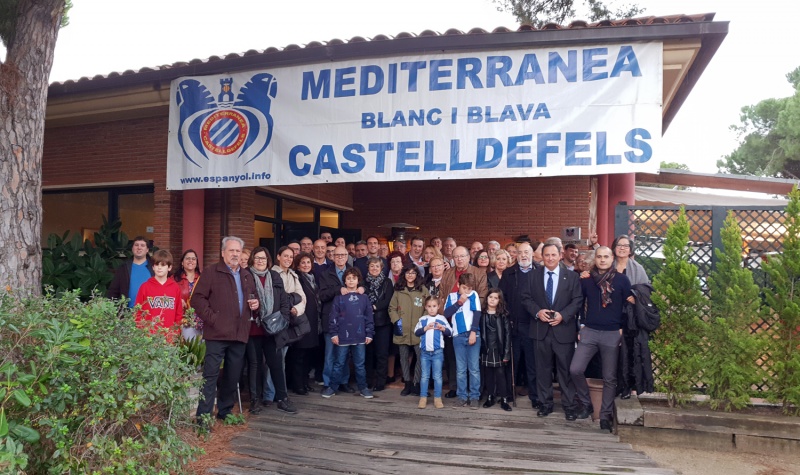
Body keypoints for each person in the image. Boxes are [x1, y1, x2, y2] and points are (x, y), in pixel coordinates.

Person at [191, 236, 262, 425]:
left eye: (238, 251)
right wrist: (213, 319)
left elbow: (254, 297)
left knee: (232, 376)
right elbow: (197, 299)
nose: (235, 254)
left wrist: (256, 304)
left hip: (239, 333)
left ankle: (225, 411)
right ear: (223, 253)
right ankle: (203, 417)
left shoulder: (246, 275)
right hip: (216, 334)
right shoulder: (211, 272)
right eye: (231, 250)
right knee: (210, 376)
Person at [570, 246, 633, 432]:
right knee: (575, 369)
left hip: (612, 333)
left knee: (609, 377)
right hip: (589, 331)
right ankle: (586, 403)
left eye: (606, 256)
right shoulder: (587, 279)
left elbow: (627, 306)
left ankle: (605, 415)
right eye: (599, 257)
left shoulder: (622, 280)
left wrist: (622, 328)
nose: (603, 260)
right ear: (595, 259)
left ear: (612, 258)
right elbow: (580, 304)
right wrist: (581, 325)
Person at [522, 242, 583, 420]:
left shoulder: (571, 277)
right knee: (542, 370)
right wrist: (537, 312)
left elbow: (577, 301)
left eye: (553, 255)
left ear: (560, 256)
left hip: (563, 330)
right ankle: (545, 404)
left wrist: (563, 315)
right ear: (542, 256)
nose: (550, 258)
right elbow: (525, 298)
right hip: (540, 331)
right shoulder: (532, 276)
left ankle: (569, 405)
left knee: (565, 370)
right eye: (546, 255)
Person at [246, 247, 298, 415]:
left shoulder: (274, 276)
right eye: (257, 258)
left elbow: (284, 300)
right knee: (254, 365)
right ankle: (255, 400)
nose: (260, 261)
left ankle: (283, 399)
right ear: (252, 259)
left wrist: (284, 320)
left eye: (263, 258)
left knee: (276, 364)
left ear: (268, 260)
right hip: (253, 328)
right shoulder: (246, 275)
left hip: (272, 329)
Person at [440, 246, 488, 398]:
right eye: (456, 256)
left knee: (473, 363)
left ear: (469, 257)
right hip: (451, 322)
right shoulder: (447, 273)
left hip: (472, 322)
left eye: (462, 256)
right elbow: (442, 296)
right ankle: (455, 388)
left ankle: (475, 392)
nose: (459, 259)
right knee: (453, 358)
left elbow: (483, 296)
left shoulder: (479, 273)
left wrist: (469, 304)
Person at [498, 242, 541, 410]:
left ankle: (535, 396)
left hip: (534, 325)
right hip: (514, 326)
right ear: (516, 255)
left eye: (526, 252)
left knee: (533, 363)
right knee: (512, 362)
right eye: (520, 252)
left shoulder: (540, 271)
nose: (523, 255)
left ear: (532, 254)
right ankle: (509, 393)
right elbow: (502, 298)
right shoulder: (509, 273)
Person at [321, 268, 375, 399]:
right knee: (339, 363)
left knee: (360, 364)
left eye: (354, 278)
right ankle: (332, 387)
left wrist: (369, 333)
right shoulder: (339, 298)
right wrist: (334, 334)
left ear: (358, 280)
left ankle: (363, 388)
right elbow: (333, 317)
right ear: (344, 281)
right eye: (348, 278)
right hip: (343, 337)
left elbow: (369, 317)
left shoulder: (364, 298)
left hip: (360, 337)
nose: (351, 281)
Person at [611, 234, 651, 399]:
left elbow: (646, 290)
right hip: (610, 313)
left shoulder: (638, 268)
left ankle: (627, 386)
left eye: (626, 246)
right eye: (619, 245)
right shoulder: (608, 265)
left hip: (629, 317)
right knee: (611, 351)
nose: (622, 248)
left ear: (630, 249)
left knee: (628, 352)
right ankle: (612, 385)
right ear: (614, 248)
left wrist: (636, 297)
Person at [389, 266, 430, 397]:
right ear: (404, 275)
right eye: (408, 272)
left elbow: (428, 307)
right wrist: (397, 321)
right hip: (402, 328)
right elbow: (392, 308)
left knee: (421, 357)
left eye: (413, 273)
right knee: (403, 358)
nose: (410, 275)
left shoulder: (423, 290)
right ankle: (407, 383)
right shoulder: (399, 290)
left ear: (417, 275)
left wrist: (423, 322)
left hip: (418, 329)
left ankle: (416, 383)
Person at [272, 246, 307, 394]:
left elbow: (302, 297)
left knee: (283, 358)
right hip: (277, 321)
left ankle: (281, 393)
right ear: (278, 257)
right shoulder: (272, 274)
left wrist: (297, 309)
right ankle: (270, 394)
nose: (288, 259)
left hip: (291, 320)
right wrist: (290, 301)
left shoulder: (293, 275)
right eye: (285, 256)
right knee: (273, 360)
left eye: (291, 257)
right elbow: (277, 298)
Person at [444, 273, 481, 408]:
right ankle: (462, 396)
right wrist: (459, 303)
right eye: (464, 288)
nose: (467, 291)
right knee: (460, 369)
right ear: (458, 285)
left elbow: (477, 313)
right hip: (458, 335)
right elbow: (446, 313)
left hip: (473, 334)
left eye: (469, 288)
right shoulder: (451, 296)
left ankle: (475, 396)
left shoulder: (474, 295)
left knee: (474, 368)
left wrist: (473, 332)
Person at [134, 249, 182, 341]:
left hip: (169, 337)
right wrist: (141, 332)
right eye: (157, 264)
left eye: (163, 265)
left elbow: (178, 313)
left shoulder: (175, 288)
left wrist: (175, 333)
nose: (159, 268)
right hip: (148, 338)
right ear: (153, 267)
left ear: (169, 267)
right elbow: (138, 312)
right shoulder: (145, 287)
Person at [414, 296, 452, 409]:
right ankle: (423, 398)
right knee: (424, 376)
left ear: (438, 307)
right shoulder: (422, 319)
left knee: (437, 376)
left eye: (434, 306)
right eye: (429, 306)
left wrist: (443, 328)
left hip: (437, 352)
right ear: (425, 307)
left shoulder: (442, 319)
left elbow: (450, 332)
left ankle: (437, 398)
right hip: (425, 352)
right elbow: (416, 332)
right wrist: (425, 328)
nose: (432, 309)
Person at [290, 252, 320, 396]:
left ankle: (305, 382)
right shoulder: (297, 278)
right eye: (303, 262)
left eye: (308, 262)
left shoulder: (312, 278)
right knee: (299, 355)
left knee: (308, 354)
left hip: (313, 321)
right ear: (297, 265)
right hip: (301, 320)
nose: (306, 265)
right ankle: (298, 385)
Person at [364, 257, 394, 392]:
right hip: (367, 322)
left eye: (377, 266)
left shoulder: (387, 282)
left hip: (383, 322)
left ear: (381, 268)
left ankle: (381, 381)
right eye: (372, 266)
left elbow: (388, 300)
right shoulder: (363, 282)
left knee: (382, 353)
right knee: (368, 353)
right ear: (368, 268)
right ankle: (368, 380)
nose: (374, 268)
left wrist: (374, 307)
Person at [480, 289, 512, 411]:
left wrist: (506, 353)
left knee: (500, 374)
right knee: (488, 373)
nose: (492, 300)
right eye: (490, 297)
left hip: (499, 349)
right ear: (487, 298)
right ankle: (490, 396)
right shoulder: (482, 314)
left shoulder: (503, 315)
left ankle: (504, 398)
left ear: (500, 300)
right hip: (486, 348)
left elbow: (507, 335)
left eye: (496, 298)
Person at [107, 236, 154, 307]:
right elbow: (113, 291)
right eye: (136, 245)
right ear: (132, 248)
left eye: (142, 245)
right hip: (128, 312)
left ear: (147, 249)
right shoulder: (123, 268)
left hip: (150, 311)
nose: (139, 247)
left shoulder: (154, 267)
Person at [174, 249, 201, 340]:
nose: (191, 261)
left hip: (200, 321)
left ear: (196, 262)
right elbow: (167, 295)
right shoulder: (174, 279)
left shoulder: (203, 278)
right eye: (187, 258)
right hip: (183, 320)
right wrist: (178, 300)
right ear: (182, 262)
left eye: (193, 259)